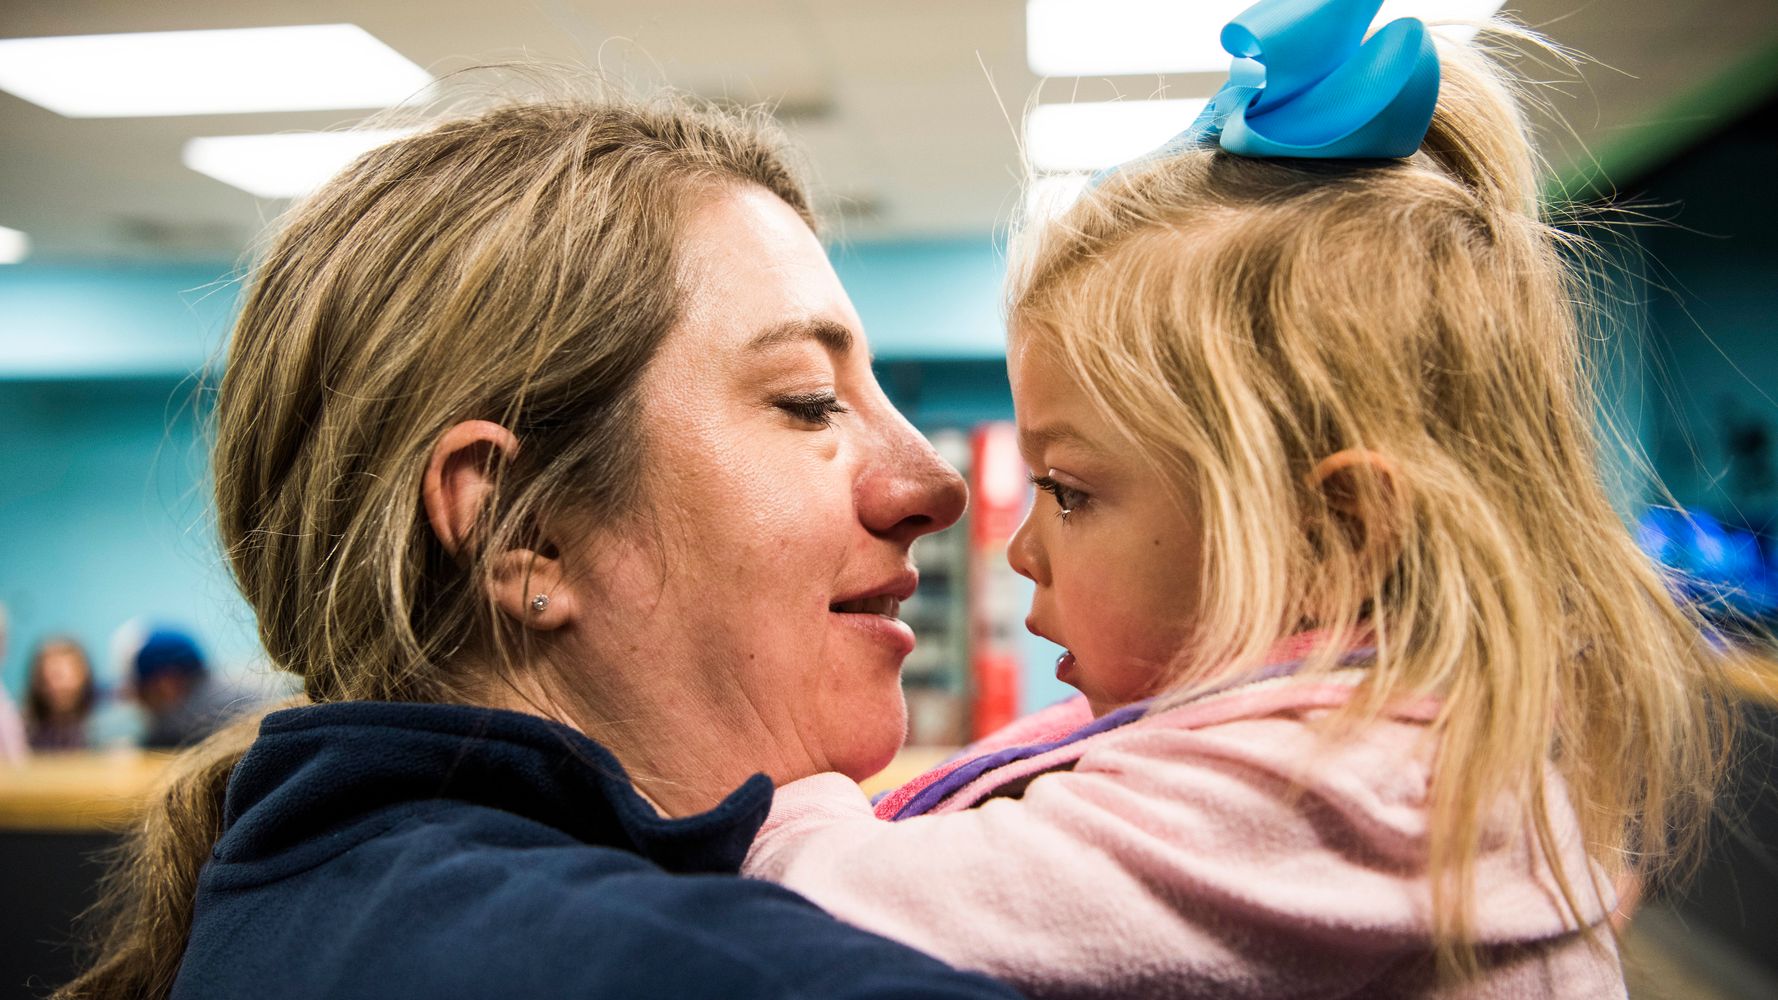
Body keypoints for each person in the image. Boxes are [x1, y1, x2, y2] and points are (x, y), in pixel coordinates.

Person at [742, 2, 1732, 997]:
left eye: (1070, 491)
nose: (1020, 550)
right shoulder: (1398, 747)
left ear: (1336, 534)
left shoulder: (1330, 786)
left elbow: (843, 906)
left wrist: (780, 801)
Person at [56, 94, 1015, 1000]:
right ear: (524, 530)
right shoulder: (700, 971)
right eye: (809, 401)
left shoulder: (303, 902)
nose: (935, 485)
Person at [123, 627, 256, 750]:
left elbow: (162, 738)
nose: (137, 699)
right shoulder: (217, 692)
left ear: (167, 683)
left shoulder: (205, 714)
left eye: (142, 689)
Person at [24, 635, 97, 752]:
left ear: (83, 675)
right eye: (46, 679)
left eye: (60, 676)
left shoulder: (102, 728)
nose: (54, 686)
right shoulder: (25, 730)